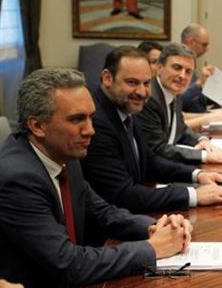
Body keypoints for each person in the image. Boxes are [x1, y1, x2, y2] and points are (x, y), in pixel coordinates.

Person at [0, 68, 190, 287]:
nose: (90, 130)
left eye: (91, 117)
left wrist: (156, 227)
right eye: (77, 119)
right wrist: (153, 248)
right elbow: (69, 265)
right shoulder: (17, 178)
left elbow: (102, 212)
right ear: (37, 126)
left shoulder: (64, 154)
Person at [80, 46, 222, 214]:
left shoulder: (125, 107)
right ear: (108, 78)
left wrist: (197, 174)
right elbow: (123, 195)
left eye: (146, 83)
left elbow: (149, 161)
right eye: (132, 82)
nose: (141, 92)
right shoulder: (96, 121)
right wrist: (193, 195)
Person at [136, 43, 222, 165]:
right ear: (159, 68)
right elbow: (158, 148)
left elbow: (181, 130)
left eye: (188, 71)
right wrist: (204, 156)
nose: (182, 76)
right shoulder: (149, 98)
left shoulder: (175, 93)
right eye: (177, 67)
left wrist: (202, 140)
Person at [180, 23, 217, 113]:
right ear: (191, 42)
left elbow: (196, 98)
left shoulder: (191, 61)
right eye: (204, 45)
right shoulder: (178, 64)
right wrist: (199, 82)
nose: (206, 49)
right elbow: (178, 101)